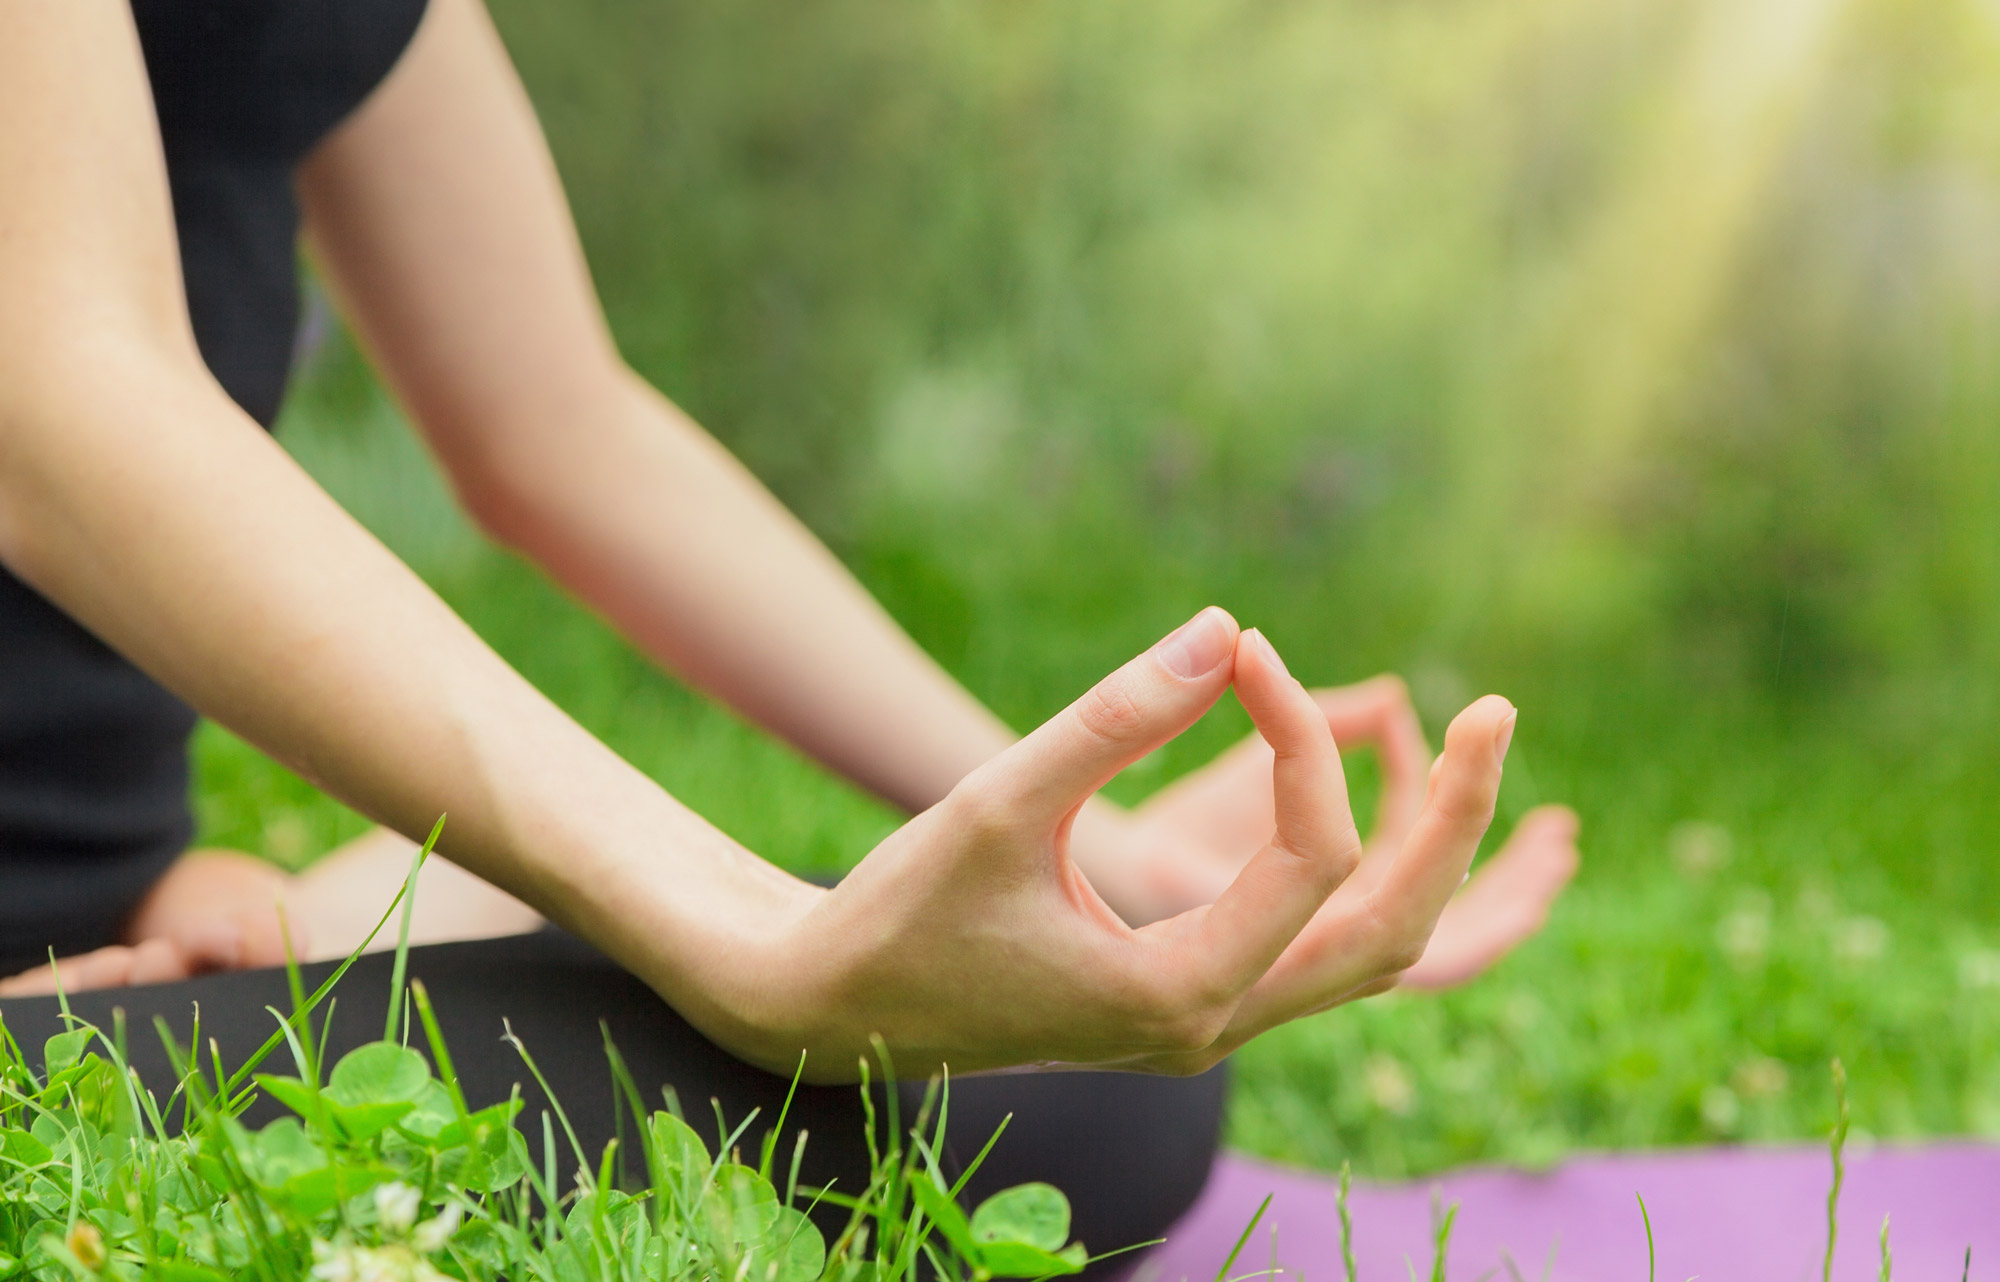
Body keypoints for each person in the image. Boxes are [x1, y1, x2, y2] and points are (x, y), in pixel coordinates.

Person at [0, 0, 1579, 1255]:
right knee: (975, 1100)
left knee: (1060, 1053)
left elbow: (558, 426)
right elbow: (63, 405)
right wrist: (746, 937)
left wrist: (1082, 845)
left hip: (124, 924)